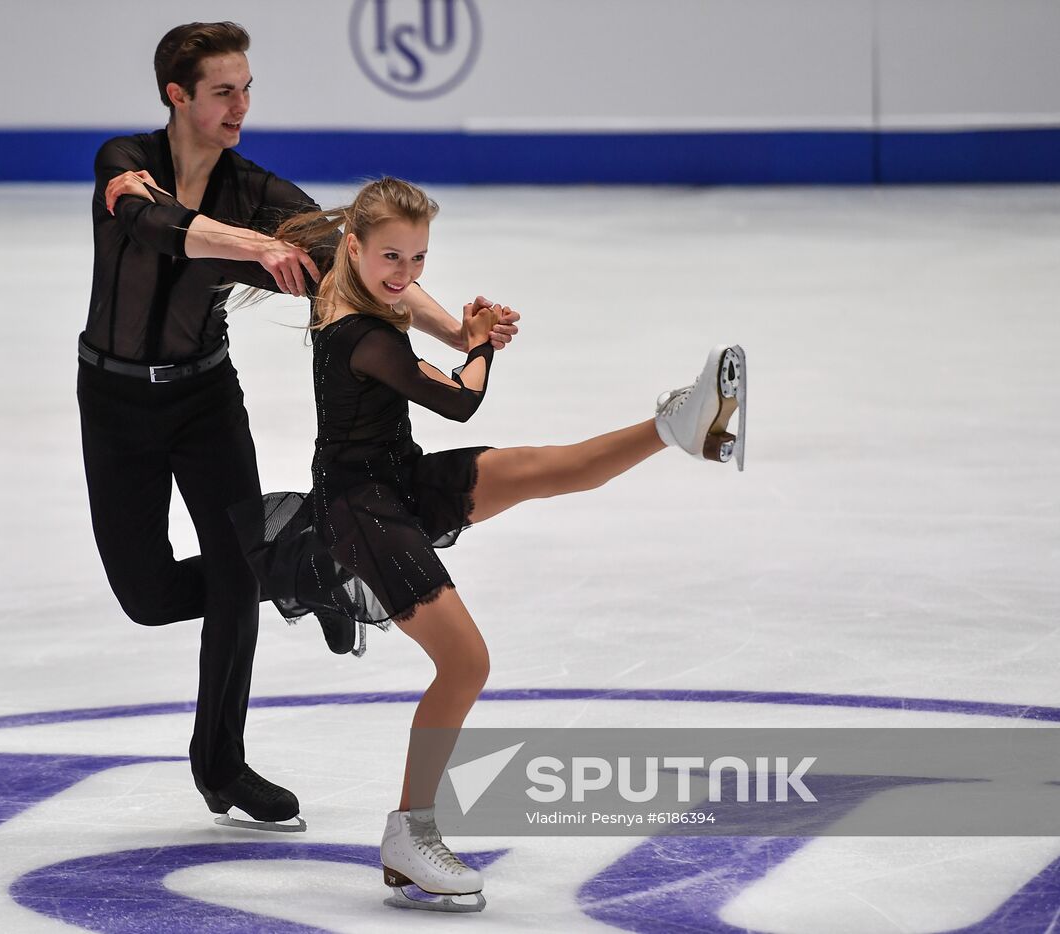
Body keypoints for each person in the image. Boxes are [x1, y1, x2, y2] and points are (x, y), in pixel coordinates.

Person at [229, 177, 746, 909]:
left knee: (539, 469)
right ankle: (410, 834)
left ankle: (677, 426)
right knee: (465, 662)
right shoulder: (362, 333)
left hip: (395, 476)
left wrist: (467, 328)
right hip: (361, 509)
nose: (405, 275)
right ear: (353, 247)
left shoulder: (360, 288)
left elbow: (413, 311)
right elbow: (460, 400)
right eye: (391, 258)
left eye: (417, 258)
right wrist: (478, 344)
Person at [78, 23, 520, 833]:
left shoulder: (256, 185)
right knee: (149, 595)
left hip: (205, 398)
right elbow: (156, 224)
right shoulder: (123, 160)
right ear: (177, 95)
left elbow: (358, 262)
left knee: (239, 569)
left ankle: (221, 762)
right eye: (223, 91)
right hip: (113, 403)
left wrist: (458, 336)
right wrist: (249, 244)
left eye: (246, 87)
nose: (242, 104)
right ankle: (307, 572)